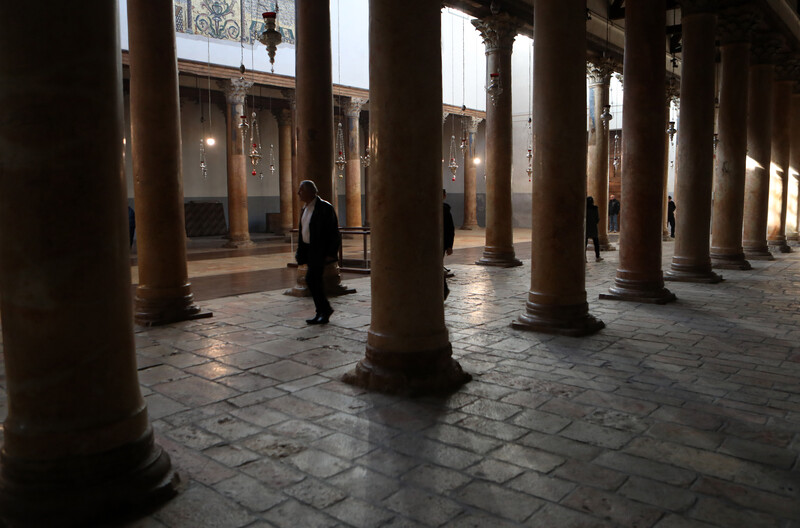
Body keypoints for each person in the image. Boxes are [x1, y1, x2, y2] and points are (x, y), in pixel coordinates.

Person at [295, 180, 341, 325]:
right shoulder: (305, 208)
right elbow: (303, 231)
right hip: (309, 250)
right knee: (313, 280)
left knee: (312, 279)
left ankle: (324, 310)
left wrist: (331, 253)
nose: (298, 193)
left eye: (301, 190)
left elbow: (334, 232)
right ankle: (322, 311)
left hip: (319, 250)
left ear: (311, 192)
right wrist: (301, 252)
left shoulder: (324, 208)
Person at [443, 189, 455, 300]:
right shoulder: (445, 210)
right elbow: (450, 229)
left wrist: (449, 246)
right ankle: (443, 290)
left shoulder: (445, 210)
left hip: (440, 244)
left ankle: (444, 290)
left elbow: (449, 229)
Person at [586, 196, 603, 262]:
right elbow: (597, 219)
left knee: (585, 243)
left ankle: (584, 257)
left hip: (586, 227)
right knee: (596, 243)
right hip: (593, 227)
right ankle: (597, 257)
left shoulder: (585, 208)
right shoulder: (595, 208)